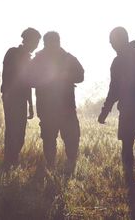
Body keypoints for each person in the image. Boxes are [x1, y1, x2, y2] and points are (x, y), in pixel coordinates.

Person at [98, 26, 135, 184]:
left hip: (129, 106)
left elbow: (114, 89)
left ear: (118, 40)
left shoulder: (119, 61)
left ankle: (129, 178)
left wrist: (105, 111)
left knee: (127, 140)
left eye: (112, 42)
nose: (111, 46)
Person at [29, 31, 84, 176]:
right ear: (46, 44)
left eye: (54, 43)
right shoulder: (40, 59)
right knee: (49, 139)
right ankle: (51, 167)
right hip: (50, 108)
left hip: (64, 107)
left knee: (70, 138)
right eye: (50, 43)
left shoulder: (67, 58)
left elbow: (81, 75)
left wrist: (65, 76)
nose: (52, 46)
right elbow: (29, 79)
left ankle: (69, 167)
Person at [1, 27, 41, 169]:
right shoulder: (13, 53)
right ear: (27, 40)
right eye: (36, 41)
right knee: (13, 131)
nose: (37, 45)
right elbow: (18, 79)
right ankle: (9, 162)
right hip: (12, 98)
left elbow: (27, 83)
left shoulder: (26, 57)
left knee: (19, 131)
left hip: (20, 99)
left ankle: (12, 160)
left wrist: (30, 104)